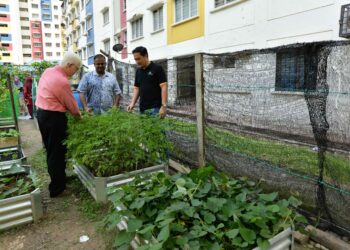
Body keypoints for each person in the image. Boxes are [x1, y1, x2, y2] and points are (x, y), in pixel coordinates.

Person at [36, 52, 82, 198]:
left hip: (43, 114)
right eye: (76, 69)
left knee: (51, 149)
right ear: (69, 65)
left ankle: (59, 179)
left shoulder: (49, 71)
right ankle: (57, 188)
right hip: (53, 118)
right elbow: (71, 104)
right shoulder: (61, 81)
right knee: (57, 152)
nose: (75, 72)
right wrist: (79, 118)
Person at [127, 46, 168, 118]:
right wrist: (132, 104)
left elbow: (164, 87)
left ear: (146, 56)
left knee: (156, 129)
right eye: (135, 59)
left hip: (156, 108)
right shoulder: (138, 71)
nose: (137, 62)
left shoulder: (157, 68)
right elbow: (137, 88)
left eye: (138, 59)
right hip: (142, 109)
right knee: (145, 129)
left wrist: (163, 106)